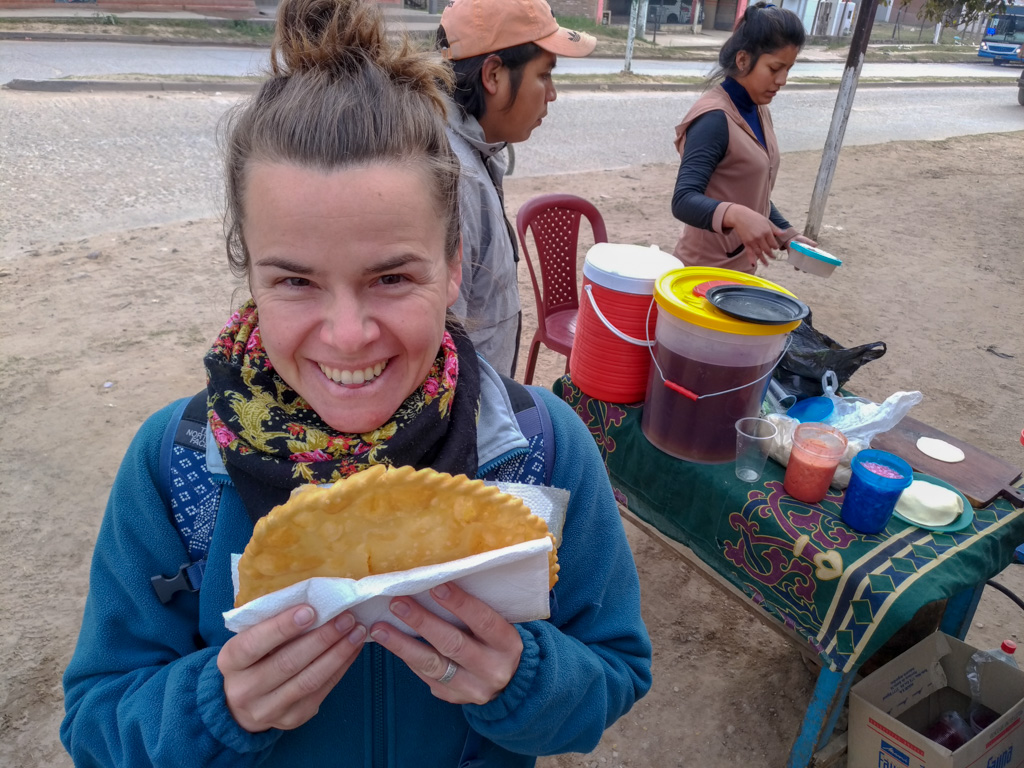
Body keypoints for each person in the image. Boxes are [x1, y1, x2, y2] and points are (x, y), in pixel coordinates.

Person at [59, 0, 652, 765]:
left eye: (392, 276)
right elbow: (98, 722)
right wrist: (216, 706)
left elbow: (615, 672)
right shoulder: (177, 468)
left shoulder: (539, 449)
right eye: (296, 281)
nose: (347, 335)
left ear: (454, 267)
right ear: (251, 274)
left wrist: (526, 680)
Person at [436, 0, 596, 377]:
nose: (552, 93)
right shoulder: (454, 181)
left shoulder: (478, 148)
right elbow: (439, 359)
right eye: (544, 75)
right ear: (493, 75)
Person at [670, 2, 817, 274]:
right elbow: (683, 200)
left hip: (738, 275)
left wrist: (787, 235)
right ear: (743, 60)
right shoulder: (714, 118)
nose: (783, 80)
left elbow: (750, 193)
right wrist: (736, 215)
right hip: (700, 275)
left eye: (789, 69)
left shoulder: (758, 109)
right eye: (775, 68)